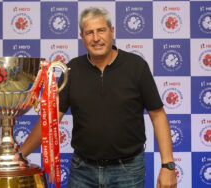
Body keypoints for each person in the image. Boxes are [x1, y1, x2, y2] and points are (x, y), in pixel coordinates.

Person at [20, 7, 177, 188]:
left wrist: (168, 165)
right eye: (89, 33)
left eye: (101, 30)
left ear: (111, 32)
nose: (96, 38)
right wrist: (20, 155)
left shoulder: (137, 67)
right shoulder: (72, 70)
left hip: (128, 171)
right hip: (82, 170)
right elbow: (50, 120)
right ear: (82, 37)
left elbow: (158, 116)